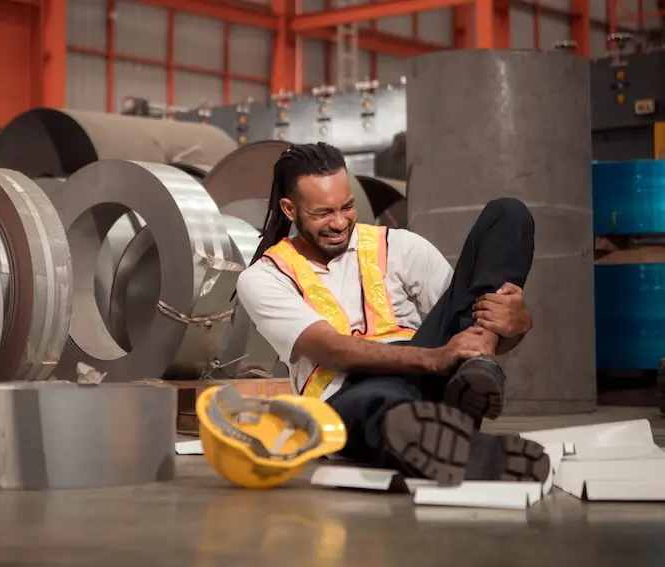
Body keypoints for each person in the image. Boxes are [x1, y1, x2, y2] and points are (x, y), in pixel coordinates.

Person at [235, 142, 550, 486]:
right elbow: (329, 349)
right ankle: (460, 448)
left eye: (348, 206)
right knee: (382, 407)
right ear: (289, 209)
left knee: (509, 215)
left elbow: (462, 318)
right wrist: (435, 359)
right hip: (352, 391)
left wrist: (514, 326)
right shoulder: (263, 278)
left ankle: (475, 371)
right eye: (323, 213)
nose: (340, 222)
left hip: (435, 373)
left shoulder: (400, 245)